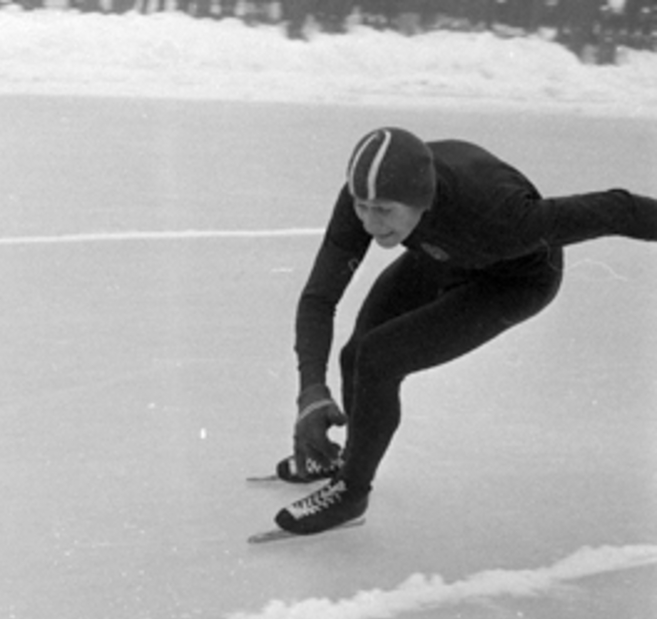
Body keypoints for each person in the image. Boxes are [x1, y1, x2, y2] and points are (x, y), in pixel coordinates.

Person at [271, 127, 657, 535]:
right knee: (356, 355)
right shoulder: (371, 188)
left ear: (420, 200)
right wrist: (310, 391)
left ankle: (351, 492)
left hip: (515, 279)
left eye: (382, 210)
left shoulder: (504, 218)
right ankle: (347, 459)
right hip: (447, 254)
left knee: (380, 358)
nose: (368, 222)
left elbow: (619, 210)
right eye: (362, 207)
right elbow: (319, 297)